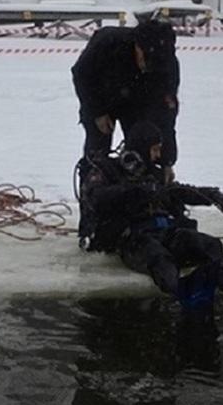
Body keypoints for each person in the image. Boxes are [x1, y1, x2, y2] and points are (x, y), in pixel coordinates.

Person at [80, 120, 223, 305]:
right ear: (141, 149)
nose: (158, 156)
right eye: (155, 149)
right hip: (133, 239)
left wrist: (215, 196)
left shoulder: (154, 174)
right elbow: (96, 198)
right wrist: (137, 192)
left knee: (210, 245)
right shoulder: (107, 170)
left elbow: (181, 191)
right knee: (160, 259)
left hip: (166, 233)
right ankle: (181, 297)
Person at [71, 20, 180, 243]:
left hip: (139, 101)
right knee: (96, 159)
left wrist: (167, 160)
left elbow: (166, 117)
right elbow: (81, 74)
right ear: (137, 46)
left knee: (142, 155)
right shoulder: (107, 43)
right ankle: (90, 225)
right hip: (100, 97)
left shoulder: (167, 65)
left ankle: (137, 218)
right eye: (144, 61)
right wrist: (97, 112)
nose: (145, 66)